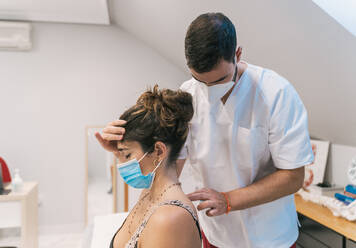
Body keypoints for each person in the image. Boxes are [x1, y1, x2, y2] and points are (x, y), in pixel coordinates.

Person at [99, 13, 314, 248]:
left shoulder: (276, 94)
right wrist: (124, 152)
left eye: (219, 80)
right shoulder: (188, 93)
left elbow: (293, 177)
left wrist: (228, 200)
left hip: (270, 237)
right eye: (200, 80)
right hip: (215, 234)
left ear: (237, 54)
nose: (209, 90)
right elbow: (168, 170)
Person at [96, 85, 202, 248]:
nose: (122, 164)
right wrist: (120, 151)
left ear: (159, 151)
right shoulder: (150, 193)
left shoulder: (170, 219)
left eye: (128, 155)